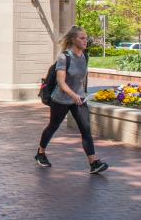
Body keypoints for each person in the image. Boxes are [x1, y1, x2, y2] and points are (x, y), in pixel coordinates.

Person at [35, 25, 109, 174]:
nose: (85, 41)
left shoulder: (85, 56)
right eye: (81, 38)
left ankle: (93, 162)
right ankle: (40, 153)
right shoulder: (64, 57)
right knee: (53, 126)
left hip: (79, 99)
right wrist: (73, 95)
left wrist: (80, 94)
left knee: (86, 130)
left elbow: (80, 79)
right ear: (73, 39)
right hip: (61, 99)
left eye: (86, 38)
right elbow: (61, 83)